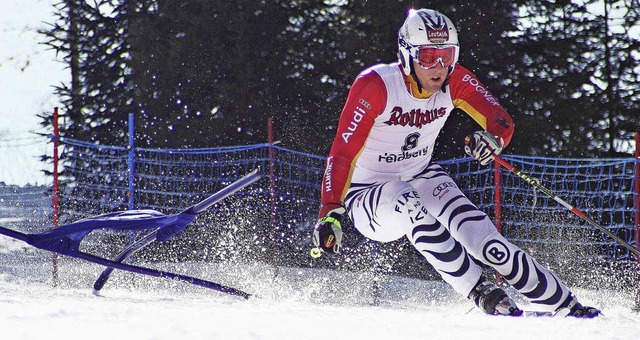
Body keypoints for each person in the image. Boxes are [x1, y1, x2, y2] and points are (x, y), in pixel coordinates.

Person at [312, 8, 600, 318]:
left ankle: (564, 305)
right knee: (408, 204)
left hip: (421, 174)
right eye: (428, 57)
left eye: (447, 55)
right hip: (368, 194)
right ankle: (481, 292)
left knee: (487, 243)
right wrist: (330, 211)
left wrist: (493, 139)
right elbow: (341, 153)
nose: (438, 67)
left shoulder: (455, 80)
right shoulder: (377, 85)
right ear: (407, 55)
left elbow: (500, 118)